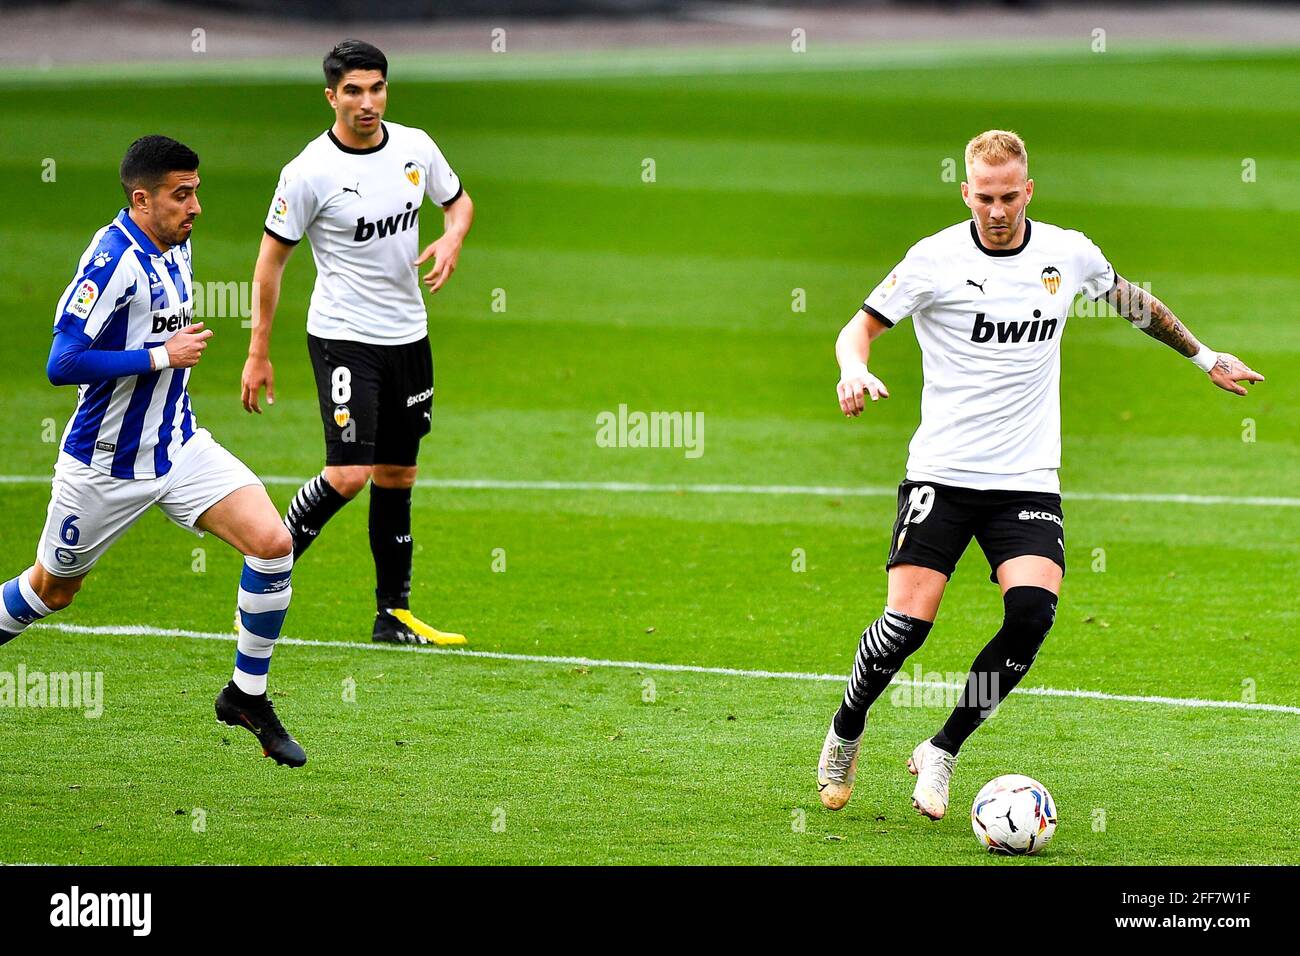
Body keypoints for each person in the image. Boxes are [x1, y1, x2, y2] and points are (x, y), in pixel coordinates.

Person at [817, 129, 1264, 820]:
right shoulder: (934, 259)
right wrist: (854, 368)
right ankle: (847, 729)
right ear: (966, 193)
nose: (997, 210)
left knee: (1031, 613)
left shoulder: (1067, 253)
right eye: (984, 197)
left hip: (1025, 475)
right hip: (943, 470)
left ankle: (942, 749)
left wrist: (1205, 358)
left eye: (1009, 196)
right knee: (907, 625)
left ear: (1029, 190)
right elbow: (861, 328)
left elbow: (1132, 302)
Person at [1, 135, 306, 767]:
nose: (195, 207)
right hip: (106, 466)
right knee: (52, 592)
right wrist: (159, 356)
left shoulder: (177, 244)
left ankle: (246, 696)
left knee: (274, 544)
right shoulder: (112, 261)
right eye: (181, 195)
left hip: (179, 445)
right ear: (142, 199)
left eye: (196, 192)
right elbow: (62, 362)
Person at [241, 39, 474, 647]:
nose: (366, 102)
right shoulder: (309, 171)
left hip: (409, 336)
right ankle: (267, 569)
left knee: (397, 474)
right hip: (344, 338)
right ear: (331, 96)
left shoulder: (415, 147)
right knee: (348, 474)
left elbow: (459, 202)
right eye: (353, 91)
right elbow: (270, 265)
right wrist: (257, 350)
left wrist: (452, 238)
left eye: (376, 89)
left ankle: (392, 616)